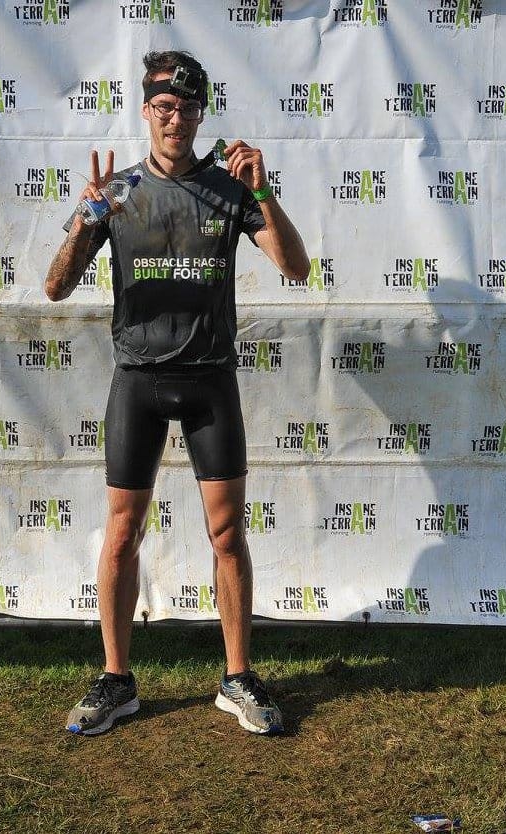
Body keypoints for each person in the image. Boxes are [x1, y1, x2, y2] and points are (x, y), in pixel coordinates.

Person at [45, 50, 310, 736]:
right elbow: (55, 285)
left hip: (209, 382)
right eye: (164, 108)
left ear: (200, 116)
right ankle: (116, 680)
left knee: (227, 534)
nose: (176, 120)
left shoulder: (230, 188)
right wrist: (85, 218)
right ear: (146, 110)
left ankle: (238, 677)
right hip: (138, 381)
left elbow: (296, 268)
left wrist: (263, 190)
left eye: (188, 110)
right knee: (121, 535)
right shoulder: (121, 190)